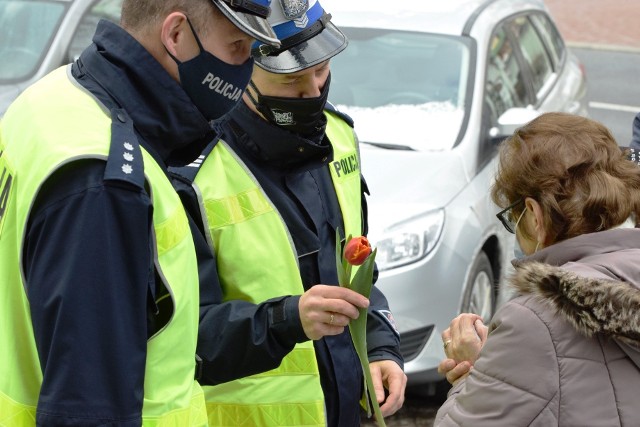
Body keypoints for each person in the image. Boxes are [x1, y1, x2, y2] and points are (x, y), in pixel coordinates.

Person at [0, 0, 280, 424]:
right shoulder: (107, 183)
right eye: (238, 45)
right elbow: (90, 410)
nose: (247, 65)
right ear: (176, 35)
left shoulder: (53, 98)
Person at [171, 0, 407, 425]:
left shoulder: (340, 136)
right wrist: (286, 319)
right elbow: (182, 338)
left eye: (320, 70)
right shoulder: (191, 173)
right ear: (240, 69)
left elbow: (357, 278)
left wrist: (379, 348)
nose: (313, 91)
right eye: (293, 77)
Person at [434, 112, 640, 426]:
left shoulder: (535, 319)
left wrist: (473, 377)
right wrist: (505, 362)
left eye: (511, 215)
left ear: (532, 214)